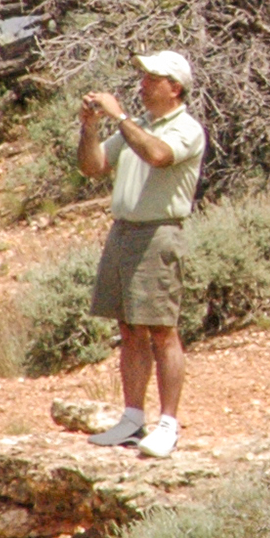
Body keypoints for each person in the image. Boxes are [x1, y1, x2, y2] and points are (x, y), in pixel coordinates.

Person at [76, 50, 207, 458]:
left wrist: (119, 117)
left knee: (162, 330)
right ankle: (133, 418)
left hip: (158, 234)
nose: (144, 83)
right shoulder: (141, 126)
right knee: (129, 328)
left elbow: (159, 155)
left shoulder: (185, 128)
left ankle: (168, 423)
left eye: (153, 77)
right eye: (144, 76)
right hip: (123, 232)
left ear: (175, 87)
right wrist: (90, 128)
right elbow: (94, 166)